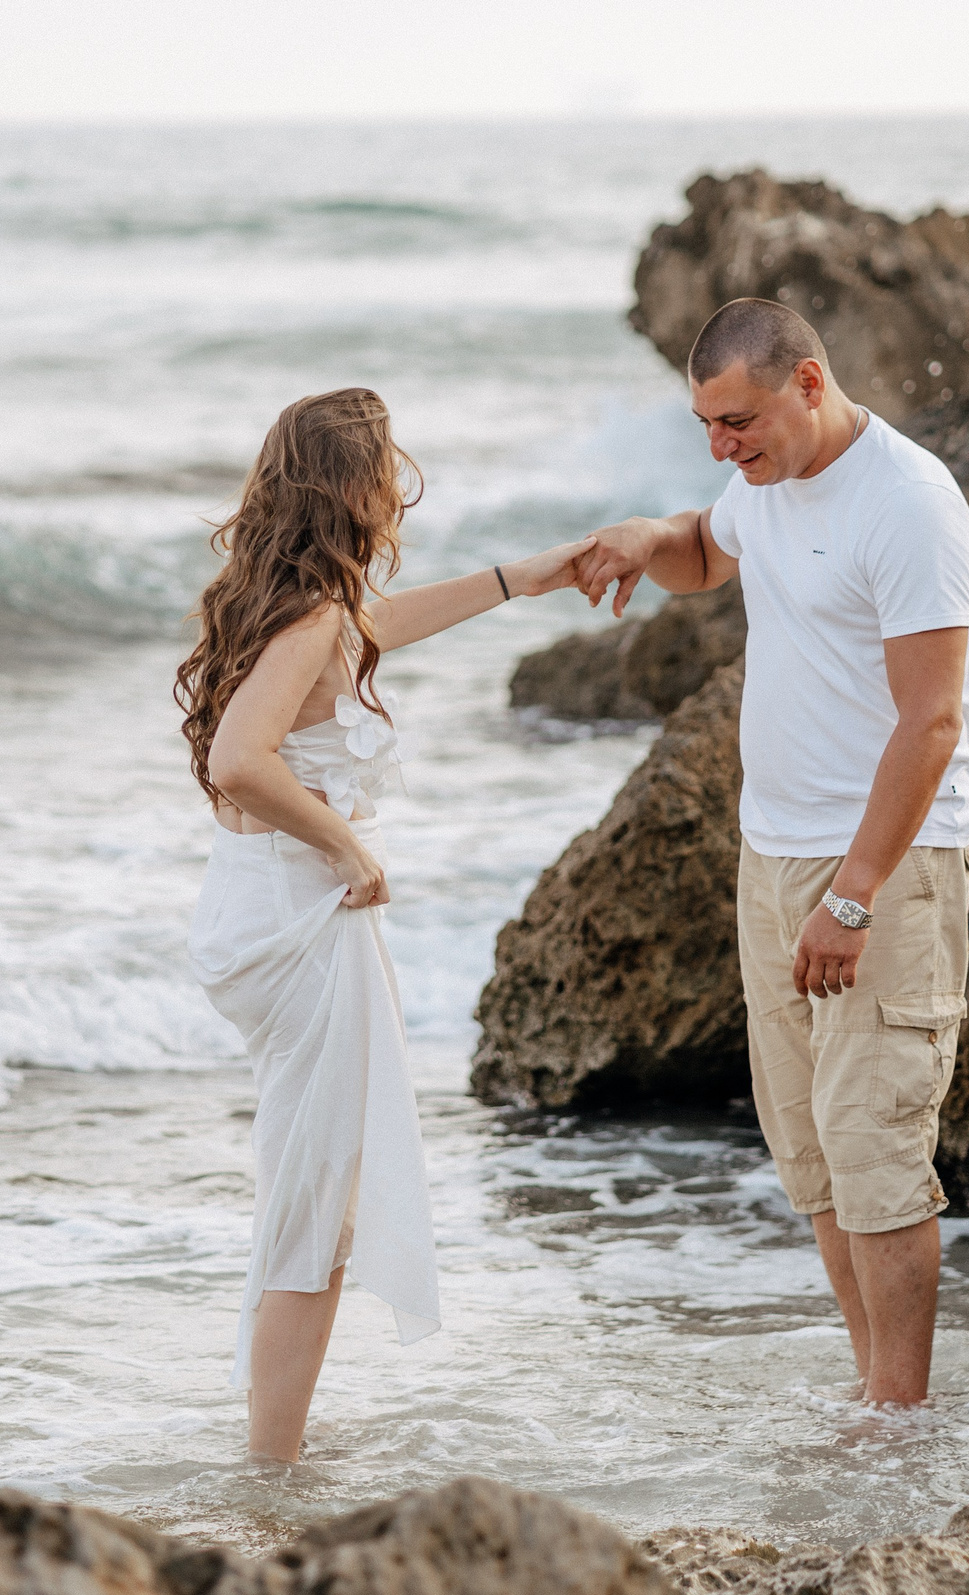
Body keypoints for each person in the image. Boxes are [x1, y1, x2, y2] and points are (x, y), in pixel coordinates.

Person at [576, 298, 969, 1408]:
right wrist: (647, 538)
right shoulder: (761, 482)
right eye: (706, 425)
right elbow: (708, 554)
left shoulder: (906, 505)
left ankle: (900, 1421)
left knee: (877, 1160)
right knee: (812, 1159)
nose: (721, 446)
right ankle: (871, 1401)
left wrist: (852, 898)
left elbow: (931, 723)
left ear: (808, 383)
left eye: (737, 419)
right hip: (772, 863)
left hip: (882, 871)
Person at [177, 387, 591, 1462]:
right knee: (317, 1212)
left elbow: (381, 628)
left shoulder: (298, 605)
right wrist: (347, 845)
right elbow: (238, 762)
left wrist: (524, 577)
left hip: (264, 903)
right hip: (300, 917)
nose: (397, 482)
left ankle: (275, 1449)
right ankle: (269, 1473)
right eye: (385, 465)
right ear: (352, 485)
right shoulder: (313, 617)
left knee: (318, 1199)